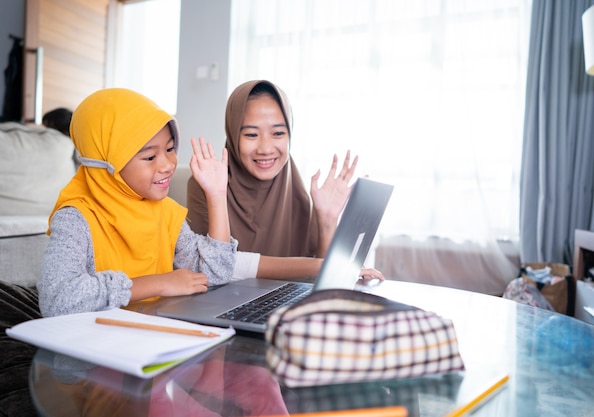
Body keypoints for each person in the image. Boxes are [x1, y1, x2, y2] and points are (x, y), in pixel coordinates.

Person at [38, 88, 237, 317]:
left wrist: (217, 195)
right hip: (97, 342)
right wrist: (158, 283)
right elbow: (57, 301)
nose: (168, 165)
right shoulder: (76, 217)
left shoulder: (165, 211)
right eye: (150, 157)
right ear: (107, 162)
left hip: (152, 336)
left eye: (171, 149)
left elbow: (215, 274)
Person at [188, 80, 383, 281]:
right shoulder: (206, 184)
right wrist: (318, 266)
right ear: (233, 134)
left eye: (278, 133)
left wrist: (327, 220)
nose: (265, 148)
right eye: (251, 134)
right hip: (224, 305)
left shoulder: (295, 192)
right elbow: (210, 267)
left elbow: (318, 280)